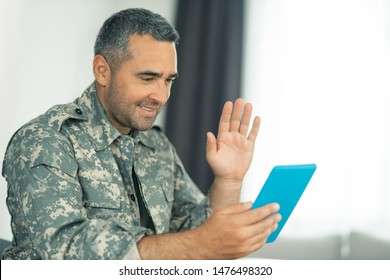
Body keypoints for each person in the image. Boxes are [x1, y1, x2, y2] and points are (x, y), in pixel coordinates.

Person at [1, 8, 281, 260]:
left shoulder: (156, 145)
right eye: (147, 78)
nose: (160, 96)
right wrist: (197, 245)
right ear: (102, 71)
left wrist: (228, 181)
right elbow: (64, 249)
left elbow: (201, 232)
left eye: (168, 80)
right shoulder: (46, 140)